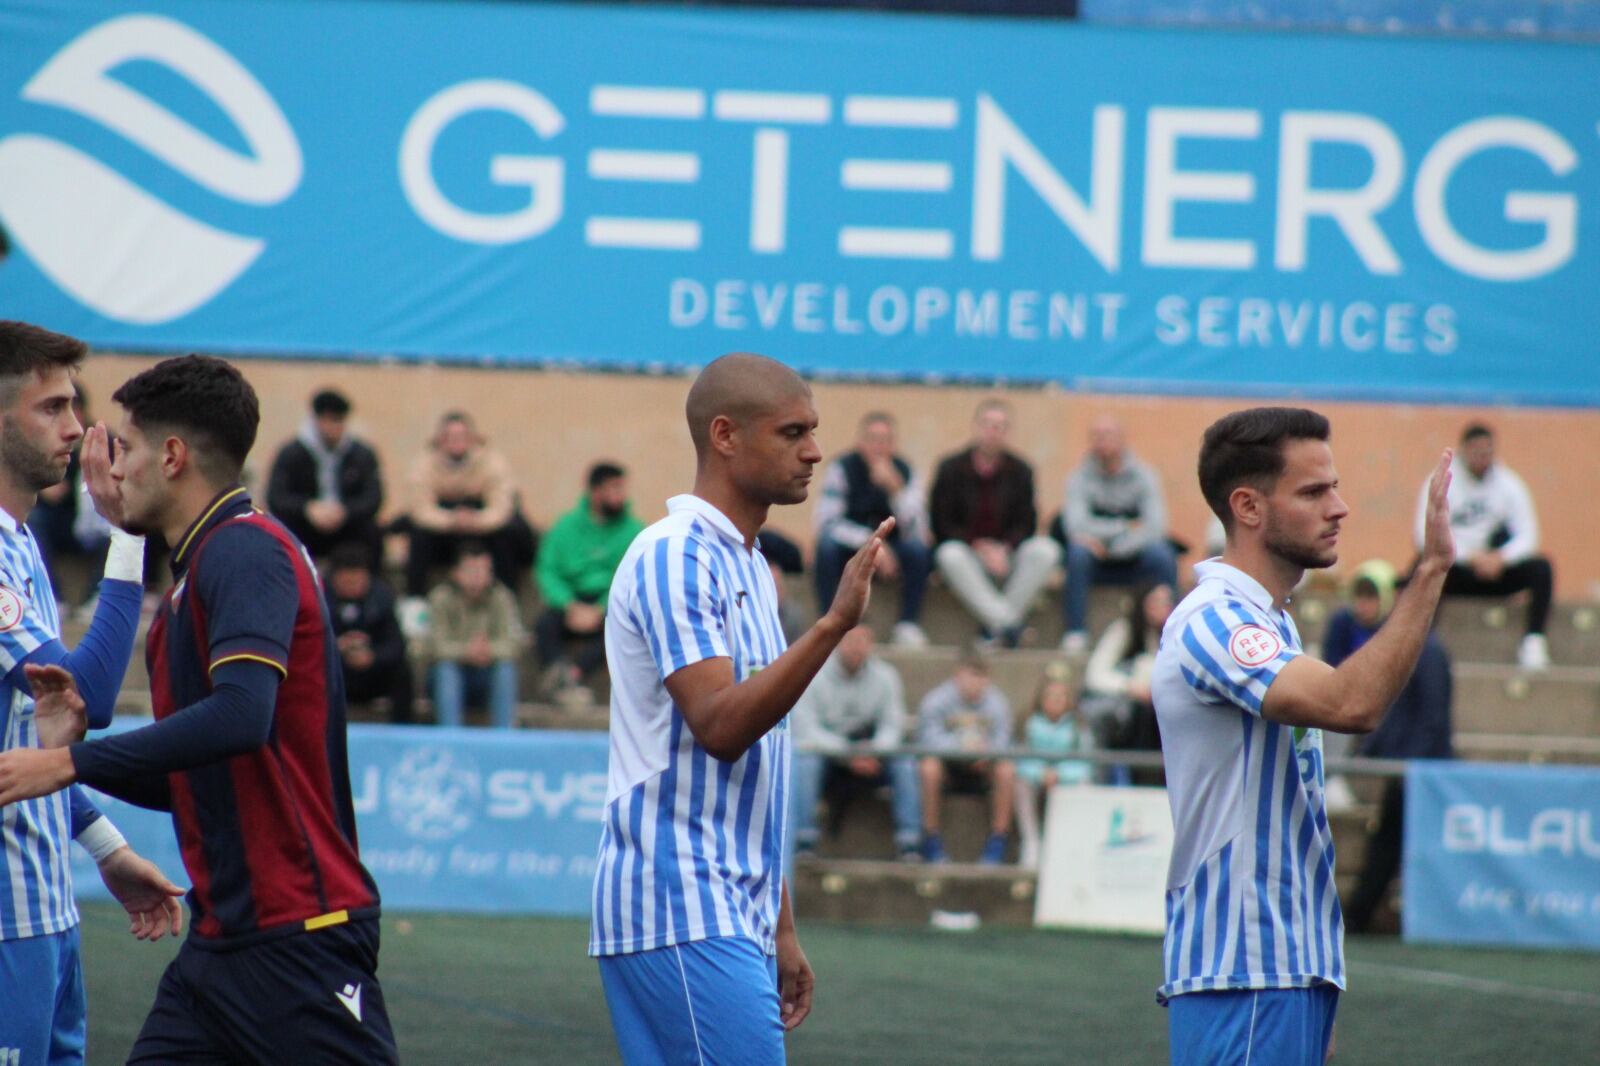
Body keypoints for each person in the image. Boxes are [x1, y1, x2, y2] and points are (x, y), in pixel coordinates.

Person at [0, 354, 398, 1063]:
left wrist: (66, 763)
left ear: (173, 457)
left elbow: (241, 718)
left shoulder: (245, 551)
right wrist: (81, 772)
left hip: (298, 935)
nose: (110, 469)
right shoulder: (193, 578)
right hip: (221, 946)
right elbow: (198, 770)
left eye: (123, 447)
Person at [591, 352, 889, 1066]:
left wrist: (778, 924)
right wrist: (832, 625)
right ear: (725, 436)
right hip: (677, 897)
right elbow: (721, 727)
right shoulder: (674, 556)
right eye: (792, 432)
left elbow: (756, 766)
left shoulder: (751, 565)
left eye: (812, 430)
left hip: (728, 903)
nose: (815, 451)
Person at [1152, 406, 1457, 1066]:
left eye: (1336, 487)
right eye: (1314, 491)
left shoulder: (1273, 623)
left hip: (1287, 965)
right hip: (1244, 968)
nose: (1340, 507)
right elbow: (1353, 704)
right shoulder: (1214, 620)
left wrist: (1315, 968)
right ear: (1249, 507)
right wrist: (1430, 570)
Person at [0, 322, 185, 1065]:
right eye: (52, 408)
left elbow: (35, 736)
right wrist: (126, 533)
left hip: (46, 909)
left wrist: (105, 847)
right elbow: (85, 701)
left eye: (72, 406)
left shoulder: (19, 540)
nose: (76, 429)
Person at [1323, 560, 1454, 933]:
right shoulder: (1417, 648)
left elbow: (1431, 720)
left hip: (1418, 770)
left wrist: (1402, 764)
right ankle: (1362, 914)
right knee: (1390, 843)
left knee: (1390, 844)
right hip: (1411, 768)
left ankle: (1361, 915)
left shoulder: (1426, 651)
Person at [1415, 422, 1554, 669]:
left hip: (1496, 571)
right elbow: (1422, 534)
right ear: (1464, 450)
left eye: (1487, 451)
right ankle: (1422, 640)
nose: (1482, 458)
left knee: (1542, 568)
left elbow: (1528, 534)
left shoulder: (1509, 484)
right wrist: (1469, 557)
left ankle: (1533, 641)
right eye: (1477, 451)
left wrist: (1501, 557)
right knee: (1422, 568)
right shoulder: (1441, 481)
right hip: (1457, 569)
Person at [929, 399, 1060, 646]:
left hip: (1007, 554)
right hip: (968, 553)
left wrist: (1004, 548)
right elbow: (941, 522)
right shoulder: (951, 468)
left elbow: (1027, 522)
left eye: (1000, 426)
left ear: (1008, 432)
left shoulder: (1022, 470)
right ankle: (1008, 625)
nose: (993, 431)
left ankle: (995, 627)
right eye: (988, 424)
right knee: (949, 554)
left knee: (1046, 551)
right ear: (976, 427)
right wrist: (979, 547)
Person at [789, 625, 920, 862]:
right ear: (838, 642)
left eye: (863, 641)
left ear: (871, 645)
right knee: (805, 762)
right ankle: (804, 840)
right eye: (851, 640)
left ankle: (910, 843)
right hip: (829, 753)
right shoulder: (814, 673)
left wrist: (873, 750)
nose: (857, 648)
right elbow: (805, 729)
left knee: (906, 763)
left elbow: (894, 724)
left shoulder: (886, 676)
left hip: (872, 753)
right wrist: (847, 753)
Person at [813, 412, 932, 647]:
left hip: (894, 550)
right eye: (873, 439)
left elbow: (919, 529)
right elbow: (826, 522)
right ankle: (831, 619)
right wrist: (871, 544)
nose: (879, 447)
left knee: (918, 550)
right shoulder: (842, 468)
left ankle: (907, 624)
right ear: (860, 442)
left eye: (885, 441)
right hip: (851, 547)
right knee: (825, 547)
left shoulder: (905, 471)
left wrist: (897, 491)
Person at [1060, 417, 1178, 652]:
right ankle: (1075, 632)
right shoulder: (1077, 478)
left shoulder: (1145, 476)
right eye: (1097, 436)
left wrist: (1114, 547)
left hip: (1133, 556)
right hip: (1095, 559)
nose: (1102, 442)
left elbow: (1155, 527)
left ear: (1122, 439)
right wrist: (1127, 527)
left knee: (1163, 555)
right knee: (1077, 554)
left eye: (1108, 435)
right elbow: (1076, 526)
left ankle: (1172, 630)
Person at [534, 462, 643, 701]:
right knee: (544, 625)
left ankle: (572, 676)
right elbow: (547, 569)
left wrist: (600, 608)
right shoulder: (565, 527)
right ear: (595, 492)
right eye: (614, 488)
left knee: (619, 630)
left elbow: (631, 577)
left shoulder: (635, 532)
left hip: (608, 603)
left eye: (622, 488)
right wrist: (569, 604)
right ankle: (557, 671)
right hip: (570, 600)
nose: (621, 496)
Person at [401, 411, 528, 597]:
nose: (456, 441)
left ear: (473, 439)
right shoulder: (423, 464)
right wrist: (452, 520)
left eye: (462, 436)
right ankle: (414, 600)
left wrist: (477, 520)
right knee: (417, 535)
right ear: (439, 440)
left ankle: (507, 598)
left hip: (483, 528)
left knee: (510, 533)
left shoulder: (492, 461)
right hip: (443, 530)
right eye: (449, 437)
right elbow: (419, 508)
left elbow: (502, 505)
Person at [916, 648, 1016, 864]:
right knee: (928, 768)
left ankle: (998, 840)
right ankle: (930, 837)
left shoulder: (997, 703)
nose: (976, 683)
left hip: (983, 766)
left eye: (982, 677)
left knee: (1006, 770)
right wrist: (962, 750)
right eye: (972, 675)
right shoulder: (936, 701)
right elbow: (928, 740)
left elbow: (1004, 740)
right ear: (958, 675)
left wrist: (986, 753)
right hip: (949, 766)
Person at [265, 388, 384, 564]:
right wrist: (307, 508)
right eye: (327, 420)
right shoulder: (292, 454)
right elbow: (276, 497)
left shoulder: (361, 455)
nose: (332, 427)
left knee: (372, 532)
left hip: (346, 525)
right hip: (304, 523)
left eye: (338, 420)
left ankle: (371, 588)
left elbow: (373, 497)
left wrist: (345, 511)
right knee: (281, 532)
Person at [27, 384, 112, 605]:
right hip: (68, 522)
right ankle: (53, 597)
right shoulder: (49, 444)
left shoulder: (104, 442)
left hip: (101, 521)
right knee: (33, 523)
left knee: (122, 529)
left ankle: (95, 598)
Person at [1083, 582, 1173, 785]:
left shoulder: (1172, 635)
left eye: (1166, 602)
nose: (1163, 607)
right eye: (1156, 602)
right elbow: (1095, 675)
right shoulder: (1124, 630)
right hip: (1125, 712)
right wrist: (1130, 687)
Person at [425, 542, 523, 729]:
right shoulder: (440, 598)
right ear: (456, 573)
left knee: (505, 669)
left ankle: (505, 736)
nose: (478, 576)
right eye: (472, 570)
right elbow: (433, 645)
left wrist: (488, 650)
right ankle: (450, 735)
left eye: (484, 570)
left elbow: (514, 642)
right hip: (449, 675)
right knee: (446, 669)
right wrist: (466, 651)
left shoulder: (502, 598)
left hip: (485, 675)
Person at [1014, 661, 1094, 868]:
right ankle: (1031, 841)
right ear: (1041, 699)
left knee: (1083, 785)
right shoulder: (1028, 723)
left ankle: (1071, 843)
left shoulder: (1078, 726)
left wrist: (1060, 774)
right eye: (1050, 697)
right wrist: (1040, 773)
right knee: (1020, 783)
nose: (1055, 702)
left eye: (1061, 697)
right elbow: (1020, 757)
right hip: (1036, 776)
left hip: (1066, 778)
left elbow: (1086, 762)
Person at [326, 542, 414, 724]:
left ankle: (403, 728)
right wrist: (337, 647)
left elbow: (396, 644)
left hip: (372, 671)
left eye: (358, 582)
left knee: (403, 672)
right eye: (347, 582)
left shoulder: (381, 598)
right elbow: (307, 644)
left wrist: (373, 656)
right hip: (336, 671)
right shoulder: (319, 599)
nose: (353, 587)